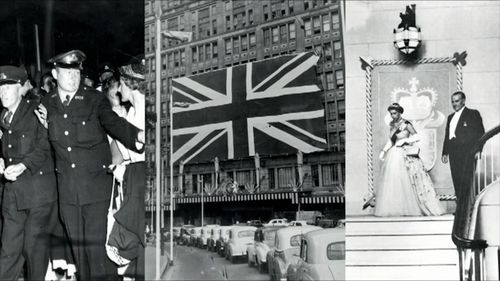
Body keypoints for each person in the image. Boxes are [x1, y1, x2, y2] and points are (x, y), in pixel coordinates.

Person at [35, 50, 145, 280]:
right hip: (67, 195)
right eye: (67, 72)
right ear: (55, 74)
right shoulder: (47, 103)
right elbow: (43, 144)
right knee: (80, 256)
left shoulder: (95, 100)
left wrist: (138, 138)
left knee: (97, 256)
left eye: (76, 72)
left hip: (96, 191)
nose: (73, 77)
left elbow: (113, 123)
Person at [0, 65, 57, 280]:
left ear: (20, 89)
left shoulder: (36, 110)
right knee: (8, 252)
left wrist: (23, 165)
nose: (2, 94)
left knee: (33, 250)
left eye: (8, 88)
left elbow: (44, 147)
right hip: (13, 195)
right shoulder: (4, 117)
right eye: (0, 89)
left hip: (38, 194)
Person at [107, 61, 146, 280]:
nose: (119, 91)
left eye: (121, 85)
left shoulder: (141, 114)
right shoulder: (135, 112)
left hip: (139, 178)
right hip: (134, 177)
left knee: (137, 234)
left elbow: (126, 152)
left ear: (128, 84)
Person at [375, 103, 444, 217]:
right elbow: (391, 141)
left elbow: (417, 136)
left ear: (400, 112)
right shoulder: (392, 124)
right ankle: (396, 207)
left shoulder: (406, 124)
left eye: (395, 113)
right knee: (394, 181)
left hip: (405, 153)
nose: (393, 116)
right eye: (391, 113)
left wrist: (405, 141)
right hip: (394, 153)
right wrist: (384, 150)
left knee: (408, 181)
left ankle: (413, 207)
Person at [442, 91, 484, 197]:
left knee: (466, 181)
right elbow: (447, 135)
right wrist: (445, 152)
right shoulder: (450, 117)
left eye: (457, 101)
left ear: (463, 101)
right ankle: (460, 209)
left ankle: (466, 209)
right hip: (453, 153)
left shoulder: (473, 114)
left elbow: (480, 133)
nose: (454, 104)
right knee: (456, 180)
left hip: (467, 152)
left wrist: (479, 150)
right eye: (452, 102)